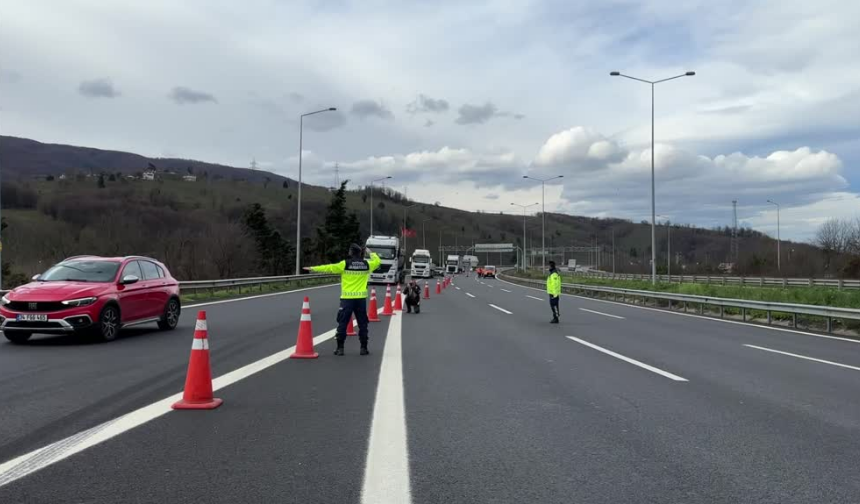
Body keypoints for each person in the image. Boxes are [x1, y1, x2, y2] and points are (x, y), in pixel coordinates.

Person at [304, 244, 381, 356]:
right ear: (360, 253)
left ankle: (340, 349)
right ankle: (363, 348)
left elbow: (329, 268)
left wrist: (313, 269)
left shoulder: (345, 264)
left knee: (342, 323)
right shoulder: (367, 264)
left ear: (350, 253)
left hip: (347, 300)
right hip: (361, 300)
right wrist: (370, 252)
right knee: (362, 324)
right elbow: (378, 261)